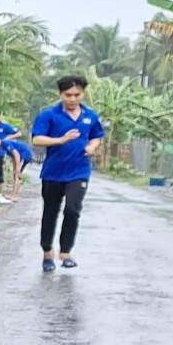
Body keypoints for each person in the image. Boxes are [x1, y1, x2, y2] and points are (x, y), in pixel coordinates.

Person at [29, 74, 107, 270]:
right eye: (68, 95)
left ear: (83, 93)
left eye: (77, 94)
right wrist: (60, 140)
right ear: (60, 94)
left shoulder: (91, 116)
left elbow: (97, 136)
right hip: (53, 173)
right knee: (50, 213)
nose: (72, 99)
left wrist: (92, 147)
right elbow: (37, 139)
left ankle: (65, 253)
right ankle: (48, 253)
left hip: (79, 171)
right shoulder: (49, 115)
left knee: (72, 210)